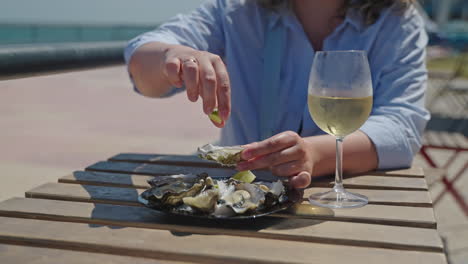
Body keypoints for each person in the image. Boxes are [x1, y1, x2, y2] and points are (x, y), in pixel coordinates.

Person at [125, 0, 430, 189]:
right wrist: (175, 56)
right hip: (237, 200)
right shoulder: (236, 9)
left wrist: (313, 155)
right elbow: (143, 67)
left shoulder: (397, 22)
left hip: (340, 202)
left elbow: (402, 128)